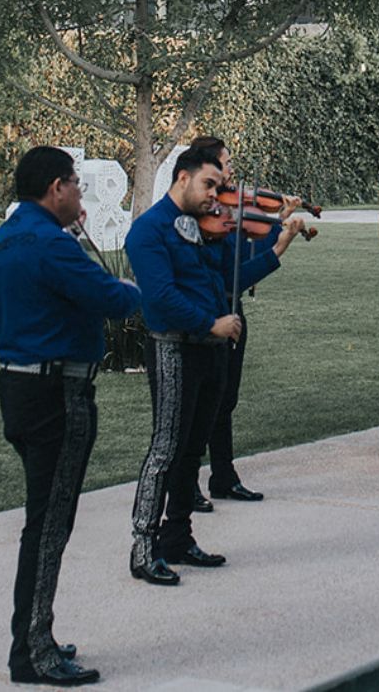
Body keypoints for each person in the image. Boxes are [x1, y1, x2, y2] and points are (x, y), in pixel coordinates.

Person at [0, 146, 141, 687]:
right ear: (56, 187)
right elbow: (114, 300)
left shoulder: (8, 236)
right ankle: (31, 650)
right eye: (76, 184)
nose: (80, 193)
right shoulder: (52, 245)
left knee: (43, 521)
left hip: (20, 385)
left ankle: (36, 637)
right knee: (49, 526)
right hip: (58, 394)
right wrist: (126, 288)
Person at [126, 145, 304, 585]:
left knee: (192, 449)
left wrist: (278, 249)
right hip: (174, 347)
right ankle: (143, 546)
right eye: (209, 184)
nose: (216, 195)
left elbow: (228, 280)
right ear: (182, 178)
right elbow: (160, 297)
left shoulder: (209, 229)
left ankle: (177, 537)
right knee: (165, 449)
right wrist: (211, 322)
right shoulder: (149, 230)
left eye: (220, 186)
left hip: (213, 349)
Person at [187, 135, 300, 512]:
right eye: (226, 163)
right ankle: (188, 483)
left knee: (225, 401)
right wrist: (279, 245)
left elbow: (245, 253)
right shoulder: (202, 218)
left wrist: (275, 225)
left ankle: (223, 475)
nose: (232, 170)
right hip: (211, 317)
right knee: (201, 407)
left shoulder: (227, 211)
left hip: (232, 314)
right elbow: (233, 274)